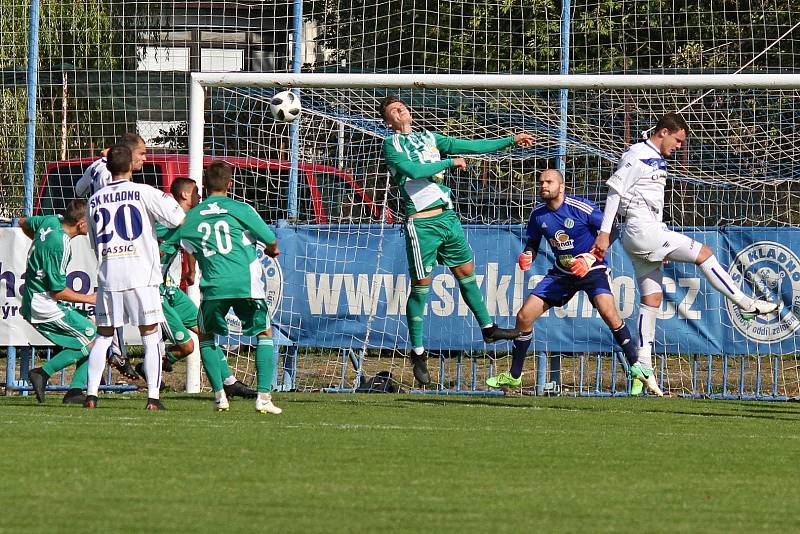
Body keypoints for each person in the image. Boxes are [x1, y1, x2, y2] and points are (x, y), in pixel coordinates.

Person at [591, 113, 780, 395]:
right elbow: (615, 193)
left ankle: (643, 363)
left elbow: (644, 201)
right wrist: (604, 233)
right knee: (704, 253)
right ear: (664, 132)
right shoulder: (637, 154)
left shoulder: (652, 154)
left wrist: (659, 236)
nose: (679, 146)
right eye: (678, 140)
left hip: (646, 233)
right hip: (641, 232)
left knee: (651, 299)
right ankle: (745, 303)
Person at [379, 95, 535, 385]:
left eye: (403, 106)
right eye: (394, 111)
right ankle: (418, 352)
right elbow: (413, 171)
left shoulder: (429, 138)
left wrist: (511, 140)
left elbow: (474, 146)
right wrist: (449, 162)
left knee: (467, 274)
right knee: (421, 289)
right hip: (421, 224)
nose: (402, 110)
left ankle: (488, 329)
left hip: (448, 219)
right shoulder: (392, 145)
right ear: (389, 121)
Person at [485, 169, 658, 393]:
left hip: (591, 269)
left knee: (609, 313)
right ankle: (514, 376)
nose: (543, 186)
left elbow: (612, 229)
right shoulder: (538, 215)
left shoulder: (581, 208)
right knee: (524, 316)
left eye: (549, 181)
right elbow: (533, 243)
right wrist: (529, 254)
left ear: (562, 186)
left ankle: (637, 368)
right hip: (562, 274)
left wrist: (590, 257)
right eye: (541, 182)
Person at [162, 161, 282, 414]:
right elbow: (272, 243)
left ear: (204, 185)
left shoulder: (190, 217)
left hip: (213, 287)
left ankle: (219, 396)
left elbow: (164, 247)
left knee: (206, 337)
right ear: (231, 184)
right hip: (245, 285)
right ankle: (263, 396)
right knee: (263, 333)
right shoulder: (240, 208)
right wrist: (271, 250)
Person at [84, 145, 185, 410]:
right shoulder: (144, 191)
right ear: (129, 165)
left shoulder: (95, 200)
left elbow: (94, 241)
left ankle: (91, 395)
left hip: (109, 273)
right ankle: (153, 397)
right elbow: (177, 218)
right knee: (150, 335)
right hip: (141, 274)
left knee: (104, 335)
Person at [136, 177, 257, 399]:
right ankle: (148, 367)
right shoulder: (165, 222)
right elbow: (159, 245)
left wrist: (190, 270)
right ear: (184, 195)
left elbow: (190, 243)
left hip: (170, 290)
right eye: (195, 193)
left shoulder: (189, 222)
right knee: (188, 347)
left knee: (206, 331)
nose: (199, 197)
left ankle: (229, 381)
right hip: (153, 292)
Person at [74, 132, 148, 381]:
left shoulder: (96, 167)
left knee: (110, 302)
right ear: (127, 156)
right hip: (120, 245)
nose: (144, 160)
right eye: (141, 154)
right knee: (119, 305)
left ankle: (117, 351)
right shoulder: (117, 181)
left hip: (98, 242)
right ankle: (117, 351)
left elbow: (78, 188)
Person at [21, 199, 97, 404]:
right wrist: (90, 298)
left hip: (37, 297)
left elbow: (23, 222)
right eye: (90, 221)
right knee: (93, 338)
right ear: (81, 223)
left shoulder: (51, 220)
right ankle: (43, 373)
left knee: (91, 334)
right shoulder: (60, 246)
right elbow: (58, 292)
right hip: (42, 303)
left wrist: (38, 246)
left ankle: (74, 392)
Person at [75, 133, 147, 197]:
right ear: (128, 151)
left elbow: (79, 191)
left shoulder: (96, 165)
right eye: (141, 154)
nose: (144, 158)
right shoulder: (112, 174)